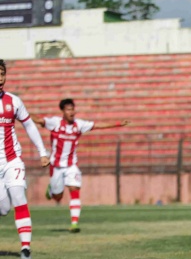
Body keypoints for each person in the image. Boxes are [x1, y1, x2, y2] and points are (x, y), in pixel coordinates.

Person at [32, 99, 130, 233]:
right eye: (68, 109)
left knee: (74, 189)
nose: (71, 112)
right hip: (56, 166)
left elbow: (98, 125)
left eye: (72, 109)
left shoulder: (79, 125)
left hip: (72, 165)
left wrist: (118, 124)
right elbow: (38, 120)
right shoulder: (54, 122)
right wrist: (21, 113)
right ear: (63, 111)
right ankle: (52, 191)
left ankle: (74, 223)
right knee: (58, 197)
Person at [0, 59, 50, 259]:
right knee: (3, 208)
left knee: (19, 198)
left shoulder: (14, 101)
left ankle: (25, 248)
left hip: (12, 161)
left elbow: (29, 126)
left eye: (2, 73)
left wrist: (43, 152)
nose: (0, 78)